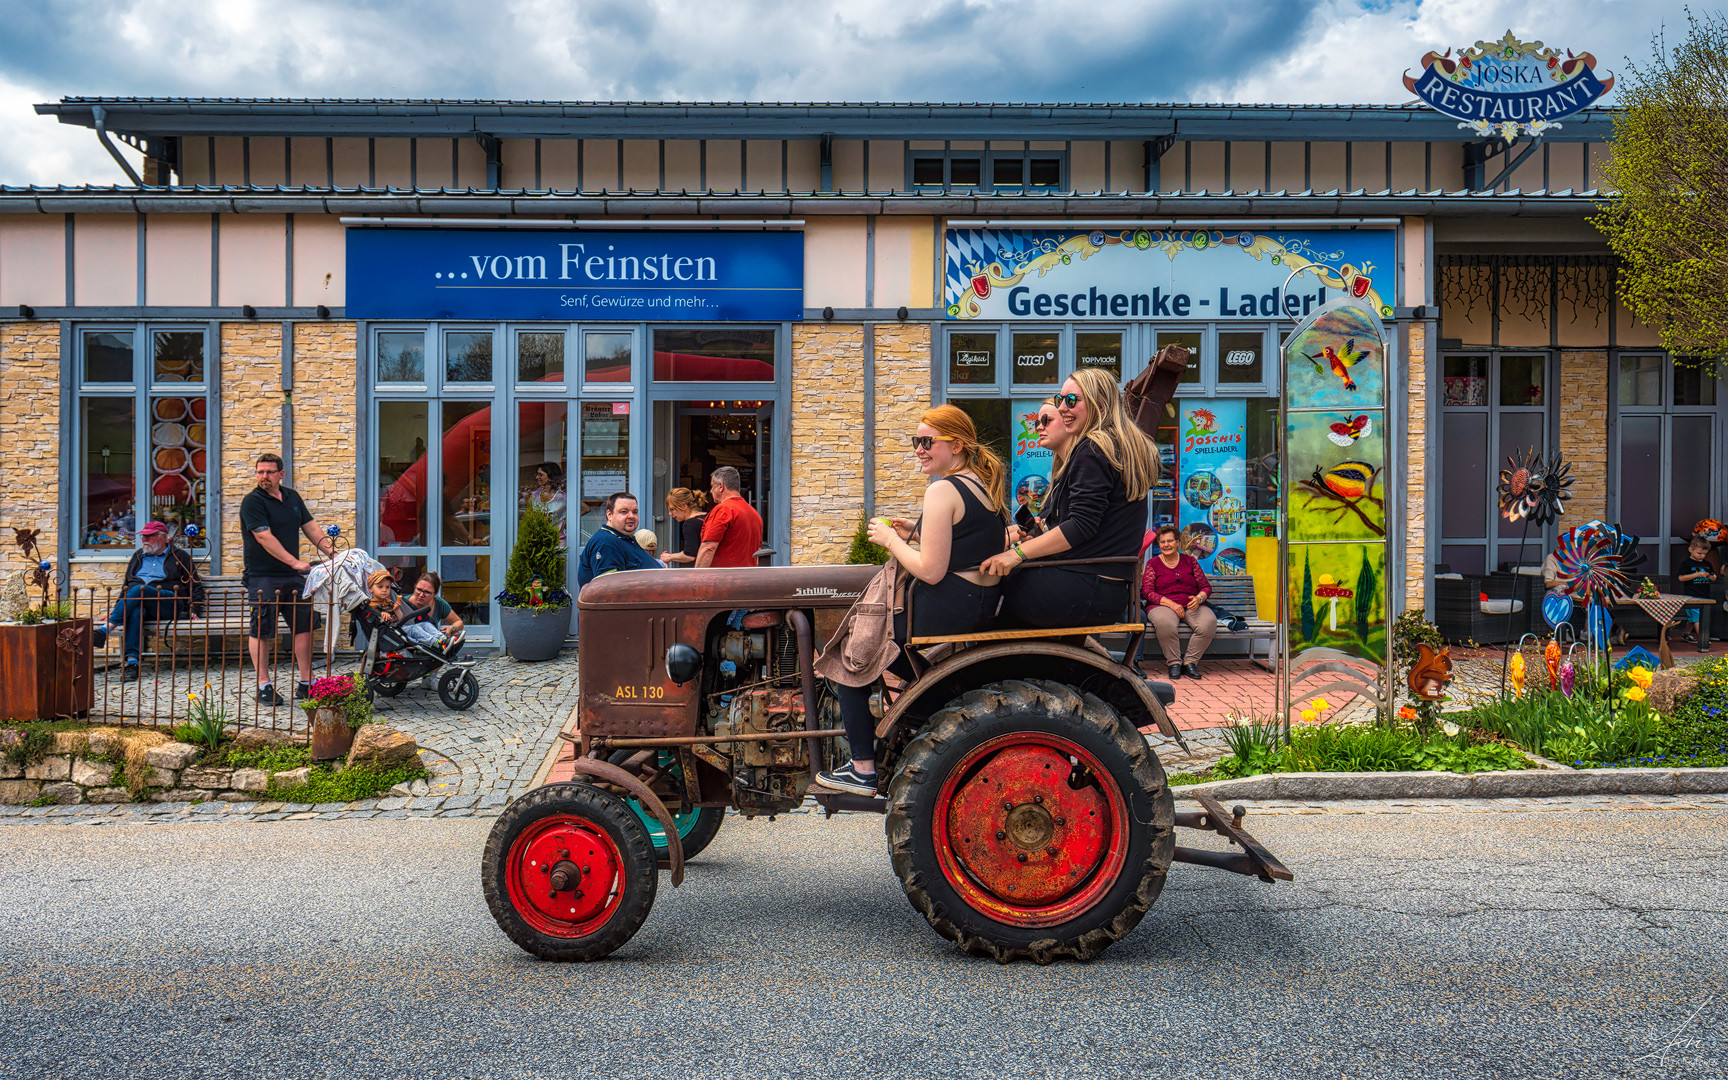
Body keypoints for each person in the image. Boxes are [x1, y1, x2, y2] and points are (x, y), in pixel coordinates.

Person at [816, 405, 1009, 796]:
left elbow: (932, 570)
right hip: (973, 604)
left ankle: (862, 768)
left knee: (853, 660)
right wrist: (916, 531)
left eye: (926, 442)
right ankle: (915, 724)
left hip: (945, 608)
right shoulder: (980, 484)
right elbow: (966, 547)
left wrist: (892, 541)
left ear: (955, 445)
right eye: (915, 442)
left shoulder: (942, 489)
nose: (918, 450)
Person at [982, 367, 1160, 628]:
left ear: (1099, 405)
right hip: (1105, 590)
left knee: (987, 595)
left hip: (1083, 588)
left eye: (1072, 400)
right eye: (1060, 399)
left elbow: (1081, 526)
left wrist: (1017, 554)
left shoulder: (1093, 448)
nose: (1063, 407)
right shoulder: (1114, 446)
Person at [241, 453, 332, 705]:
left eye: (270, 472)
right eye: (260, 472)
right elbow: (263, 536)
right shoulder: (253, 502)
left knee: (304, 626)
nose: (264, 477)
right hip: (263, 577)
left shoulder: (292, 497)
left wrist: (333, 554)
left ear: (281, 474)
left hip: (293, 576)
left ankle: (307, 682)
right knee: (262, 630)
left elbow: (311, 527)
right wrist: (294, 562)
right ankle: (263, 685)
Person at [90, 521, 205, 682]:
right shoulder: (138, 556)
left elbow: (195, 585)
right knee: (136, 609)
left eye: (150, 536)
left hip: (169, 602)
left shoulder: (180, 556)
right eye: (144, 536)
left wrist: (195, 609)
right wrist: (116, 610)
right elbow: (126, 586)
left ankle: (104, 631)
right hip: (143, 603)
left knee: (139, 589)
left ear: (164, 538)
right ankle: (132, 664)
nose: (145, 539)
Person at [1142, 524, 1216, 679]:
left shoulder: (1190, 561)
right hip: (1162, 605)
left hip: (1191, 604)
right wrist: (1172, 604)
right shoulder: (1153, 564)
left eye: (1170, 541)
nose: (1166, 545)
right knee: (1165, 624)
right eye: (1162, 542)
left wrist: (1199, 598)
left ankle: (1190, 663)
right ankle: (1174, 663)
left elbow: (1205, 586)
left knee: (1208, 622)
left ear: (1177, 542)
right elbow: (1148, 592)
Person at [576, 492, 661, 588]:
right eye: (624, 511)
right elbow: (608, 590)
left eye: (635, 512)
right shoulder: (607, 543)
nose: (631, 516)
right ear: (609, 515)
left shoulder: (623, 538)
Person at [696, 466, 764, 568]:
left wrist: (696, 578)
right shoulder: (754, 514)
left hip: (723, 579)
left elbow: (708, 548)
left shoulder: (723, 510)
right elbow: (757, 552)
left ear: (721, 487)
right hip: (748, 579)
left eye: (712, 486)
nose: (711, 491)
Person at [1012, 398, 1061, 536]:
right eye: (1037, 423)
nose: (1039, 427)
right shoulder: (1060, 471)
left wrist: (1018, 553)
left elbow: (1078, 528)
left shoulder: (1081, 463)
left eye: (1047, 420)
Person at [363, 569, 447, 649]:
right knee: (415, 629)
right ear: (370, 589)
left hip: (400, 628)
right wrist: (381, 615)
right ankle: (435, 643)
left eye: (387, 587)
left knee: (426, 624)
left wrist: (397, 610)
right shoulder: (371, 605)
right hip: (391, 634)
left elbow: (401, 618)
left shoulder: (389, 602)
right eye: (380, 587)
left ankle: (444, 640)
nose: (384, 590)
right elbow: (375, 623)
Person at [1678, 535, 1717, 645]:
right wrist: (1696, 575)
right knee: (1697, 618)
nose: (1702, 556)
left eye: (1704, 554)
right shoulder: (1687, 564)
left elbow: (1713, 576)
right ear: (1691, 550)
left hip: (1704, 594)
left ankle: (1686, 634)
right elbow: (1681, 578)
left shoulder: (1707, 564)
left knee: (1692, 618)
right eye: (1699, 553)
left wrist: (1712, 577)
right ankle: (1703, 639)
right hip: (1692, 595)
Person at [663, 487, 709, 565]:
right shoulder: (707, 516)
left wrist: (669, 557)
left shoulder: (689, 524)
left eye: (672, 509)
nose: (670, 514)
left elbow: (689, 555)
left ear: (684, 506)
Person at [526, 461, 568, 540]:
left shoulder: (562, 497)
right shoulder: (535, 495)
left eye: (540, 475)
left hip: (557, 541)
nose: (537, 477)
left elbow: (585, 509)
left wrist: (566, 522)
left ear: (550, 477)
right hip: (538, 539)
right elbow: (531, 517)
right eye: (537, 474)